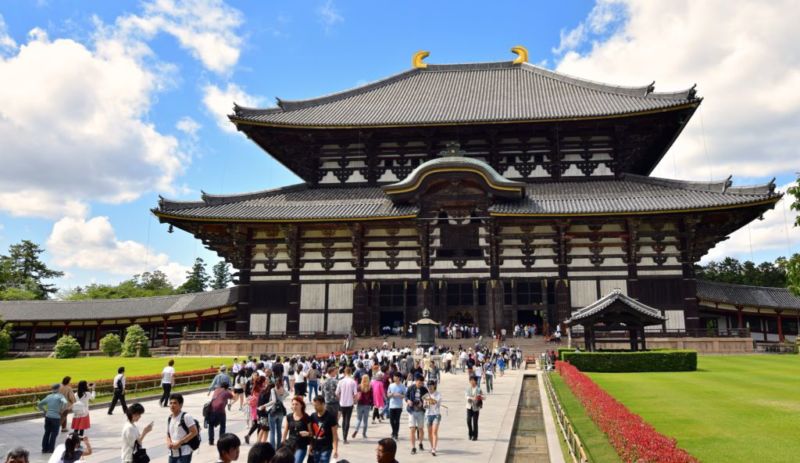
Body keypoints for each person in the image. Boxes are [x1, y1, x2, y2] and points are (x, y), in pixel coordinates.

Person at [166, 393, 199, 463]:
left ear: (180, 405)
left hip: (184, 453)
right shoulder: (169, 418)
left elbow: (194, 432)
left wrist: (179, 443)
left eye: (175, 403)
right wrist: (168, 442)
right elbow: (168, 434)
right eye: (170, 403)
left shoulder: (186, 416)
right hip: (172, 453)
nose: (172, 405)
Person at [38, 383, 68, 453]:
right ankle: (51, 449)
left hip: (48, 417)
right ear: (58, 389)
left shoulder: (48, 396)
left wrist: (44, 411)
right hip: (56, 418)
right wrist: (61, 410)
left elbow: (39, 404)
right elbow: (65, 402)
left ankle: (44, 449)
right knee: (54, 434)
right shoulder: (60, 396)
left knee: (47, 433)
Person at [309, 395, 338, 463]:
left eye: (317, 405)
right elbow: (312, 434)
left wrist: (335, 450)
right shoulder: (313, 416)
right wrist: (311, 446)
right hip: (315, 447)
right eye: (314, 405)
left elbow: (334, 435)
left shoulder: (331, 417)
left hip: (326, 447)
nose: (315, 407)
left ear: (323, 404)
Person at [282, 396, 311, 463]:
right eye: (293, 404)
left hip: (301, 446)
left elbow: (311, 432)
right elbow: (285, 431)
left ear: (301, 405)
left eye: (296, 404)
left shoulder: (306, 417)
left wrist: (308, 433)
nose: (294, 406)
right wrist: (283, 442)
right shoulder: (289, 416)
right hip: (290, 445)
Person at [405, 374, 428, 454]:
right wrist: (408, 401)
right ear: (416, 381)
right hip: (412, 411)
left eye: (422, 383)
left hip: (421, 411)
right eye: (419, 382)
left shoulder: (424, 390)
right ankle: (413, 447)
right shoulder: (411, 388)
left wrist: (422, 403)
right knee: (412, 429)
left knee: (421, 429)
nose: (420, 384)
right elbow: (406, 396)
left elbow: (427, 400)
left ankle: (420, 443)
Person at [335, 367, 357, 444]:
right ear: (351, 372)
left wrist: (340, 398)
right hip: (349, 403)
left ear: (344, 372)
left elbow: (336, 393)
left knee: (344, 419)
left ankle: (344, 436)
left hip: (342, 403)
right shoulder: (353, 382)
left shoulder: (340, 381)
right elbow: (355, 394)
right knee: (347, 420)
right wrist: (354, 401)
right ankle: (345, 437)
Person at [266, 380, 289, 449]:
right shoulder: (282, 389)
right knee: (279, 430)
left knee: (272, 431)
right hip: (281, 411)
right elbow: (287, 394)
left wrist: (265, 405)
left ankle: (272, 448)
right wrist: (282, 399)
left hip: (273, 411)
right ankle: (279, 447)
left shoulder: (273, 389)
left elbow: (274, 400)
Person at [352, 374, 373, 439]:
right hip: (367, 405)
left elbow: (355, 395)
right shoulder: (370, 387)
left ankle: (356, 430)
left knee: (359, 419)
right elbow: (372, 397)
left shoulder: (359, 386)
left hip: (360, 404)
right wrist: (372, 404)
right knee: (365, 421)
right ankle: (364, 434)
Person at [424, 380, 442, 456]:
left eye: (431, 385)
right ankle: (432, 447)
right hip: (428, 415)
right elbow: (425, 406)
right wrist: (425, 404)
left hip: (436, 415)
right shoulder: (426, 395)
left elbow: (435, 402)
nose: (429, 387)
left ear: (434, 386)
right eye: (428, 386)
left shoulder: (438, 394)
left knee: (434, 432)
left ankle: (434, 448)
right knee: (429, 432)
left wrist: (429, 400)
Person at [387, 373, 406, 441]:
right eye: (394, 377)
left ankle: (396, 434)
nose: (394, 378)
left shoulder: (402, 386)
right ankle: (393, 431)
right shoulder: (391, 385)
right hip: (392, 405)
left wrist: (399, 395)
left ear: (399, 378)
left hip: (399, 406)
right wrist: (391, 394)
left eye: (395, 377)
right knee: (391, 420)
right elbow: (388, 395)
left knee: (397, 420)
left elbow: (405, 395)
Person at [465, 376, 482, 441]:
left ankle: (475, 436)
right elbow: (466, 396)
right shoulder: (468, 388)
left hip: (476, 408)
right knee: (468, 421)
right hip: (469, 406)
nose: (471, 381)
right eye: (470, 380)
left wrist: (480, 397)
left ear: (476, 381)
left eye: (473, 380)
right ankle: (470, 433)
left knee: (475, 422)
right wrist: (471, 398)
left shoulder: (478, 389)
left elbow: (483, 396)